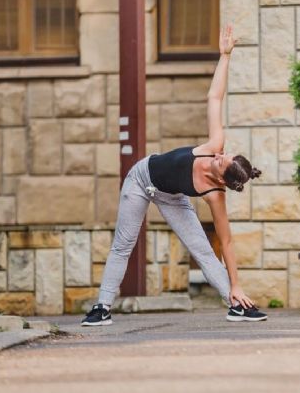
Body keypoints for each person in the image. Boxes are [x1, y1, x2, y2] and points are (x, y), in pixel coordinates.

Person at [82, 24, 267, 326]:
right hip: (141, 180)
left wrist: (236, 283)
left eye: (223, 161)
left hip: (172, 197)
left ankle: (236, 304)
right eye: (225, 154)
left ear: (223, 179)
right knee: (123, 244)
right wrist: (225, 56)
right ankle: (102, 307)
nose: (220, 155)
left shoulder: (214, 195)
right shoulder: (213, 146)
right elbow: (214, 99)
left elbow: (227, 243)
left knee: (204, 251)